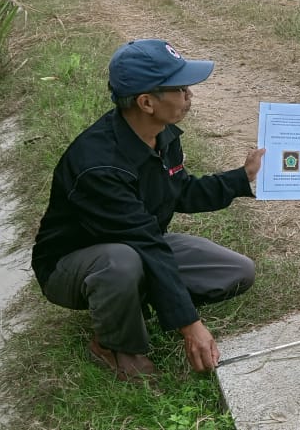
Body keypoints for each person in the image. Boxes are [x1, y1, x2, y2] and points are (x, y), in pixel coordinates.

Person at [31, 39, 266, 382]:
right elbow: (144, 242)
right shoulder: (99, 166)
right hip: (74, 265)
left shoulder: (162, 133)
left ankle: (141, 298)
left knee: (236, 271)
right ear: (146, 102)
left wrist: (240, 178)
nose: (189, 95)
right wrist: (190, 325)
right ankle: (113, 344)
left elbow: (180, 191)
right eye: (181, 88)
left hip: (137, 242)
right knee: (122, 262)